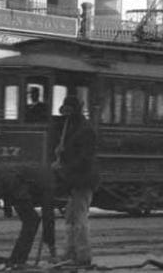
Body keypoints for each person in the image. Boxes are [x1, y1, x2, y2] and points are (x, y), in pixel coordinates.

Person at [0, 164, 56, 269]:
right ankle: (17, 259)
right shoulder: (50, 182)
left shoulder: (42, 172)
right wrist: (51, 243)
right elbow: (48, 215)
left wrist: (8, 205)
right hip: (11, 181)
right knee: (32, 220)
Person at [52, 94, 99, 267]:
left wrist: (64, 165)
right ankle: (70, 253)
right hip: (74, 180)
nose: (65, 115)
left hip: (83, 179)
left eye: (68, 111)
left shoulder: (85, 130)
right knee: (71, 218)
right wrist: (61, 154)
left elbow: (84, 159)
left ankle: (83, 256)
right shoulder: (72, 127)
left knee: (79, 218)